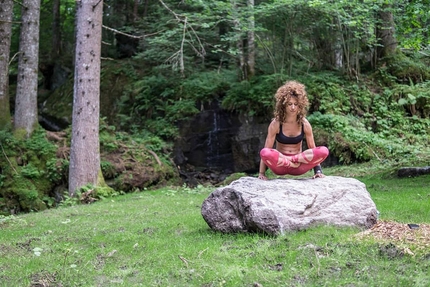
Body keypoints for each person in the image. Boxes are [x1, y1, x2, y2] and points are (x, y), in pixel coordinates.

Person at [258, 80, 329, 180]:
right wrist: (262, 173)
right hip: (280, 166)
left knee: (324, 151)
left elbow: (313, 148)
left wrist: (318, 171)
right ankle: (288, 160)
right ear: (283, 105)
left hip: (299, 165)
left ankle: (293, 159)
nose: (293, 107)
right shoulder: (276, 124)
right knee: (265, 152)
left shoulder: (305, 124)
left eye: (296, 104)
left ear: (300, 105)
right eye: (289, 104)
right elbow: (266, 151)